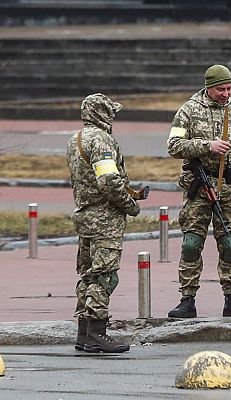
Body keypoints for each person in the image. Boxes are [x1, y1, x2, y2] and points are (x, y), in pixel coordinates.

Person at [166, 64, 231, 318]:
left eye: (229, 88)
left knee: (230, 244)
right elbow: (174, 145)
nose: (226, 93)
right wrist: (207, 146)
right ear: (208, 88)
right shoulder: (189, 111)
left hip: (229, 188)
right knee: (192, 243)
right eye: (220, 89)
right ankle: (187, 299)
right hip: (199, 187)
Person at [67, 93, 140, 353]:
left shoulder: (76, 139)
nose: (113, 118)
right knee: (105, 276)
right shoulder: (101, 140)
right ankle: (97, 334)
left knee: (87, 275)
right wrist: (130, 205)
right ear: (102, 114)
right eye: (111, 113)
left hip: (85, 215)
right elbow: (108, 181)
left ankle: (84, 333)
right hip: (104, 219)